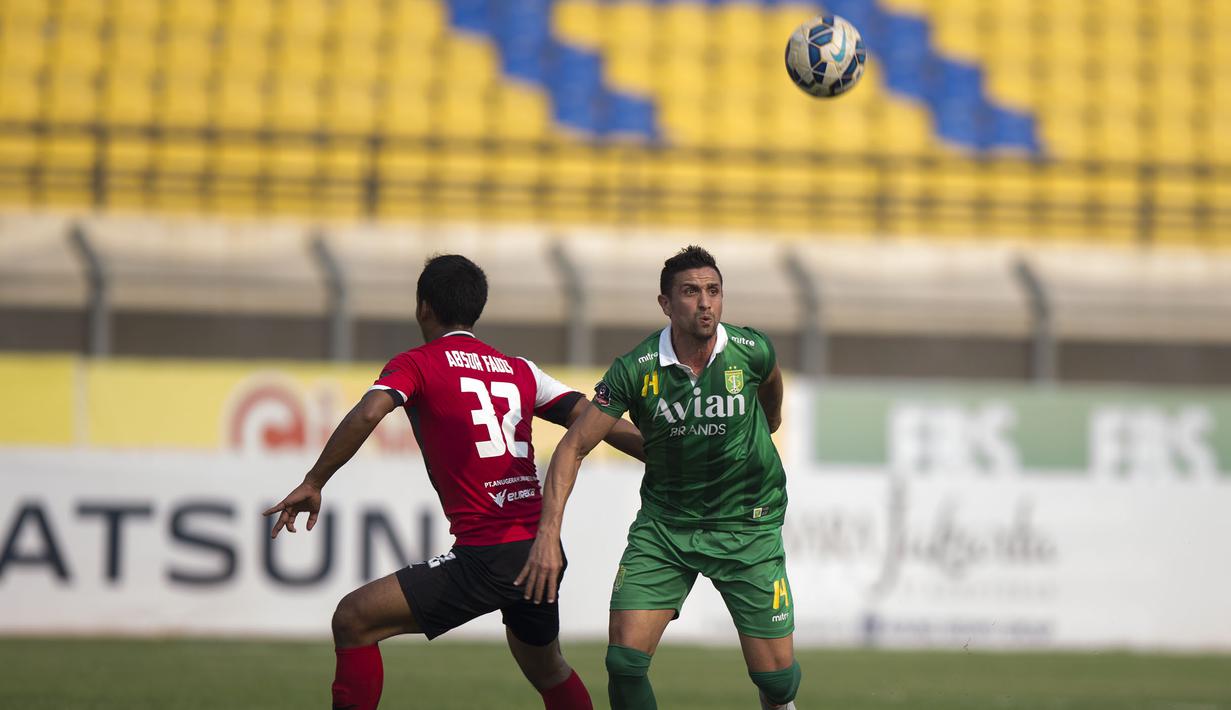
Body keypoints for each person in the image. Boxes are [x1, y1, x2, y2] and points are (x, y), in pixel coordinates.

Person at [264, 254, 644, 710]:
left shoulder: (418, 364)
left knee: (353, 618)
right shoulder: (519, 369)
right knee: (548, 668)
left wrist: (314, 480)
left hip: (489, 555)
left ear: (424, 307)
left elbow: (369, 411)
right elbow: (591, 417)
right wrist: (665, 456)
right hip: (540, 552)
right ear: (475, 309)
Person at [516, 245, 800, 710]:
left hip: (749, 525)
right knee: (624, 663)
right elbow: (573, 447)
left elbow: (771, 383)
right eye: (690, 292)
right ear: (666, 303)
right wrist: (548, 533)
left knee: (779, 682)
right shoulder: (635, 368)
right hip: (667, 527)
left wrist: (769, 422)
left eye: (713, 291)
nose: (705, 302)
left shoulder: (750, 349)